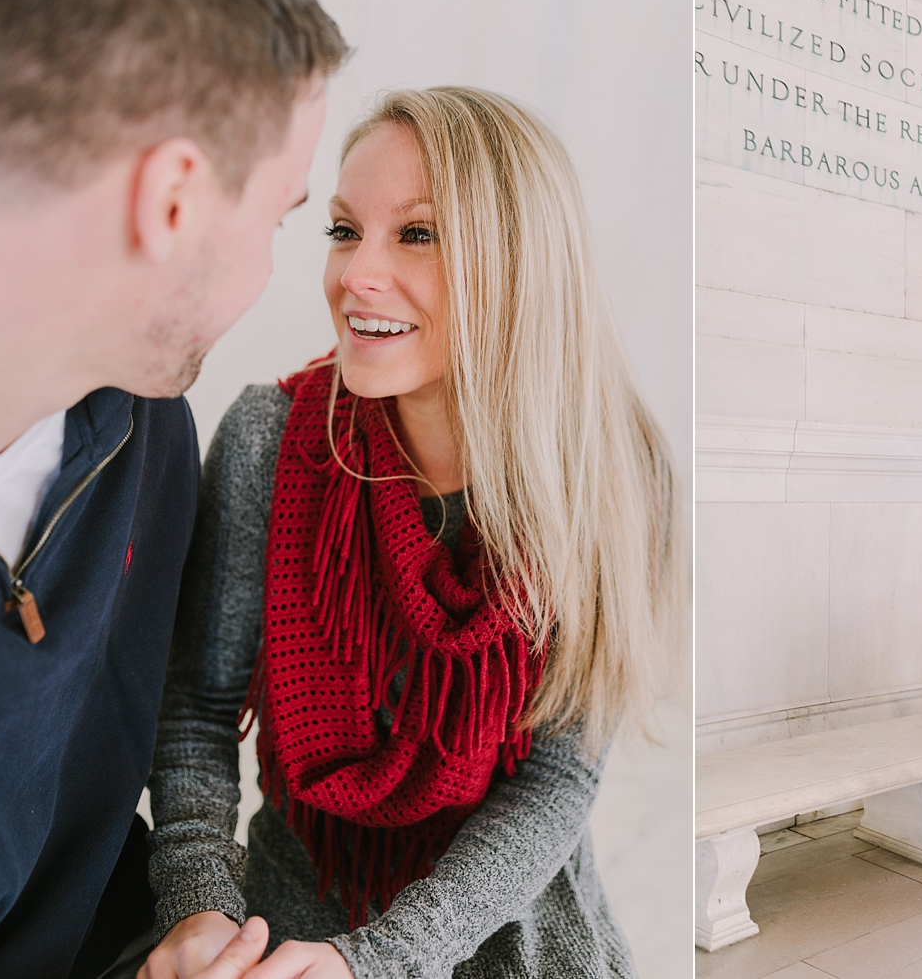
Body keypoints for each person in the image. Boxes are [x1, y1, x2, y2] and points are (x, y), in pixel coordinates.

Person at [137, 88, 685, 978]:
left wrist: (382, 959)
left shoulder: (615, 477)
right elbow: (195, 709)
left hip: (524, 940)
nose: (355, 274)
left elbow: (555, 782)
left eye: (417, 234)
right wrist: (200, 903)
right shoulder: (267, 442)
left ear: (517, 262)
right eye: (344, 230)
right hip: (291, 926)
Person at [0, 0, 346, 975]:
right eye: (284, 216)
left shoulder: (149, 444)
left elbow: (68, 855)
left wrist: (165, 944)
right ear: (175, 199)